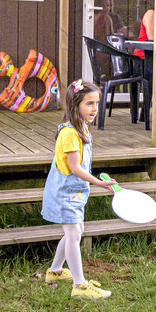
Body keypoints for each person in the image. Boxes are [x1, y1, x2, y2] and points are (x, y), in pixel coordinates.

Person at [41, 79, 112, 300]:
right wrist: (98, 182)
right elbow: (74, 167)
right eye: (89, 104)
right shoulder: (70, 133)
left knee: (75, 232)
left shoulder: (81, 127)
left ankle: (54, 271)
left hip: (74, 191)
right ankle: (80, 286)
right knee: (73, 235)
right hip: (64, 193)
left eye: (96, 103)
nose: (94, 109)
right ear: (75, 105)